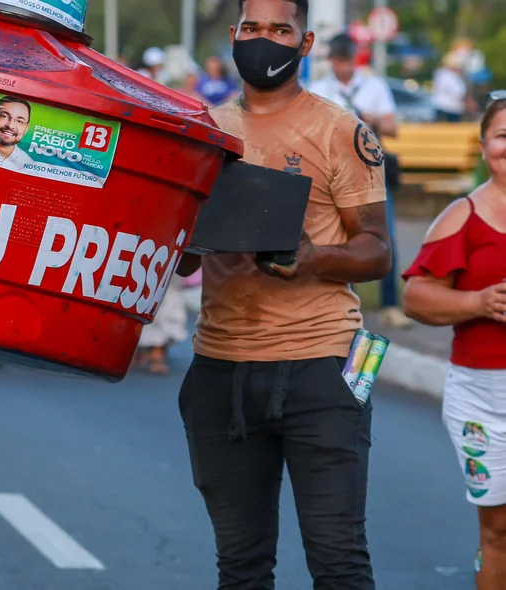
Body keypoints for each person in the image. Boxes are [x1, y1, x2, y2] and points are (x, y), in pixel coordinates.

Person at [174, 1, 393, 588]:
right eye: (251, 28)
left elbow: (377, 249)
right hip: (221, 371)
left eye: (279, 29)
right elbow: (185, 256)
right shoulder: (204, 131)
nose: (263, 39)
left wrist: (313, 258)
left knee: (338, 562)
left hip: (324, 367)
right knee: (241, 569)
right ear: (233, 34)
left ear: (305, 41)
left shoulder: (339, 129)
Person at [400, 92, 506, 589]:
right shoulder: (463, 215)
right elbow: (416, 297)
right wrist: (478, 303)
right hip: (483, 398)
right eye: (504, 136)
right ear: (484, 146)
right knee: (499, 531)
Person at [309, 33, 409, 328]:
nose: (341, 67)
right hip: (333, 172)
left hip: (370, 171)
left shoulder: (373, 86)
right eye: (337, 61)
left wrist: (367, 119)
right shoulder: (319, 89)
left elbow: (392, 128)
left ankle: (390, 304)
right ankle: (343, 305)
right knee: (338, 239)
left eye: (346, 61)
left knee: (383, 235)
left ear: (354, 59)